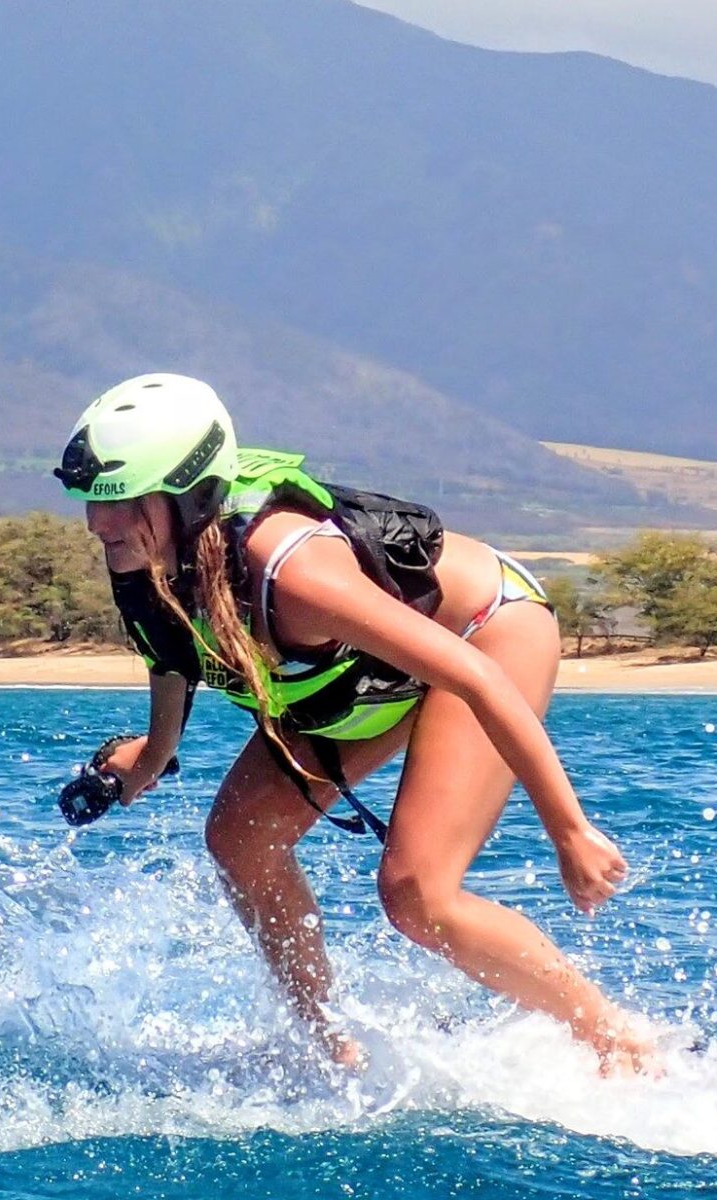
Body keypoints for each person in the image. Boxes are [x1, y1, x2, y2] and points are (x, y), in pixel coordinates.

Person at [54, 372, 648, 1073]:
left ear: (190, 496)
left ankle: (617, 1040)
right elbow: (175, 651)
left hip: (484, 636)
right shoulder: (151, 559)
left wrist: (570, 831)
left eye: (121, 502)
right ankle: (331, 1048)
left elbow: (476, 677)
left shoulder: (293, 574)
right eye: (93, 501)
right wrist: (151, 758)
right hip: (374, 676)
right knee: (240, 838)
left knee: (416, 894)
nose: (100, 523)